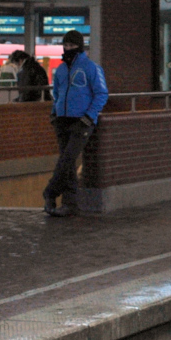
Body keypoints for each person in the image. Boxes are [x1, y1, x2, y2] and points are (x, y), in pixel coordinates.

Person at [44, 30, 108, 217]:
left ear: (79, 46)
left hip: (82, 121)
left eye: (71, 46)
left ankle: (50, 192)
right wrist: (54, 113)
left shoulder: (91, 68)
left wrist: (89, 116)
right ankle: (70, 203)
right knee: (68, 163)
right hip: (62, 120)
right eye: (66, 45)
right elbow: (57, 93)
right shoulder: (61, 69)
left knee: (67, 159)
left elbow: (102, 93)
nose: (68, 48)